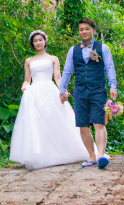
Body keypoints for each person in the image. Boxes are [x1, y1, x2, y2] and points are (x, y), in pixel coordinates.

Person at [9, 30, 91, 170]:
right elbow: (27, 80)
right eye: (35, 41)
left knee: (55, 120)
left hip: (49, 90)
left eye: (40, 40)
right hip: (35, 91)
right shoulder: (29, 61)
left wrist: (63, 90)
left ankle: (63, 151)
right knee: (38, 123)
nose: (38, 43)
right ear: (32, 44)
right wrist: (25, 88)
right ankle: (40, 154)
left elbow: (58, 78)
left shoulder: (53, 59)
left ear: (45, 41)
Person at [58, 17, 118, 169]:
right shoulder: (73, 50)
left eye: (86, 29)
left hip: (98, 90)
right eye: (81, 29)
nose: (84, 31)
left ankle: (101, 155)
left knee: (99, 122)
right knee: (83, 125)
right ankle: (91, 155)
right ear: (79, 32)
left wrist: (113, 86)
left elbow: (109, 68)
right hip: (80, 91)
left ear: (93, 31)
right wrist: (62, 90)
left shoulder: (102, 48)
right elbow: (67, 71)